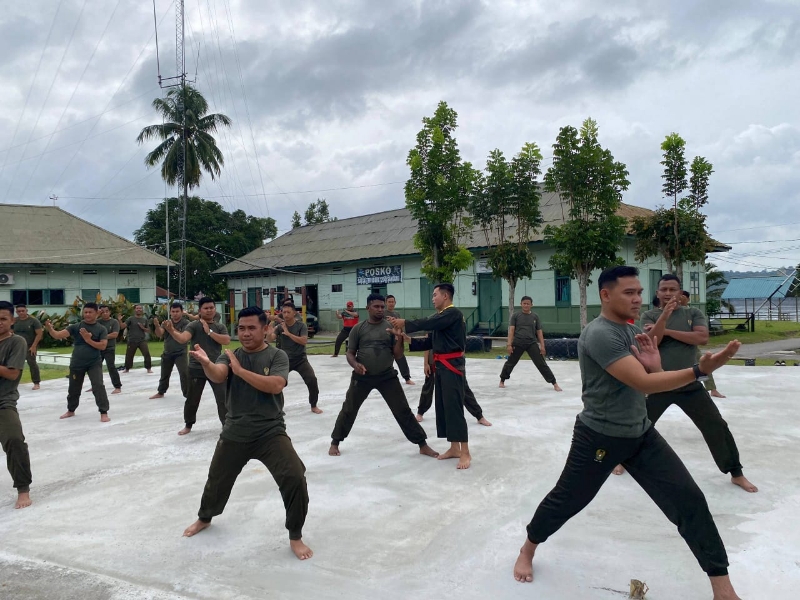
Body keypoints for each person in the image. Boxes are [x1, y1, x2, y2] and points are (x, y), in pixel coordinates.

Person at [513, 266, 744, 600]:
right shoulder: (600, 334)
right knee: (568, 499)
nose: (638, 299)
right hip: (600, 437)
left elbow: (650, 377)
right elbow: (643, 383)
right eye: (629, 293)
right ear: (605, 295)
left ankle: (723, 588)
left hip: (640, 434)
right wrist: (699, 370)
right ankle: (528, 548)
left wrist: (655, 364)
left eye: (639, 292)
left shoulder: (631, 331)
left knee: (689, 500)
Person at [181, 306, 313, 560]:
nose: (246, 333)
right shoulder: (230, 356)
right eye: (241, 328)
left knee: (295, 476)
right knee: (217, 480)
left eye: (252, 328)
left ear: (265, 329)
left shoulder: (278, 356)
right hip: (235, 431)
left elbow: (275, 385)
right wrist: (208, 364)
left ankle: (295, 535)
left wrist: (241, 372)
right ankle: (205, 518)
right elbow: (219, 375)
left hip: (270, 431)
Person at [636, 277, 755, 493]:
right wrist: (664, 318)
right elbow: (650, 342)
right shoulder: (648, 315)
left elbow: (701, 338)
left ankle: (736, 473)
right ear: (657, 292)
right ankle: (619, 459)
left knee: (716, 426)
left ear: (680, 293)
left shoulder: (693, 314)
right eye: (663, 289)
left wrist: (668, 332)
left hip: (689, 384)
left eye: (673, 289)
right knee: (635, 424)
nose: (668, 293)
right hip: (658, 384)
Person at [328, 294, 438, 458]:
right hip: (363, 377)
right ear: (368, 308)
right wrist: (355, 365)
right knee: (349, 409)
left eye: (382, 307)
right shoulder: (358, 329)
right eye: (376, 306)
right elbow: (350, 353)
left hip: (387, 376)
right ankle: (335, 442)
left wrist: (399, 338)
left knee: (402, 410)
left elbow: (398, 355)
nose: (380, 309)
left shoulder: (390, 327)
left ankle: (422, 444)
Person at [387, 283, 471, 470]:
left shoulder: (453, 314)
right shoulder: (440, 318)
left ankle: (465, 452)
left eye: (435, 295)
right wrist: (407, 338)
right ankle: (454, 447)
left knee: (455, 408)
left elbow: (429, 323)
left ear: (446, 296)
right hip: (440, 367)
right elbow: (430, 341)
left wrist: (406, 323)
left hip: (452, 367)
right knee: (444, 407)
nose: (432, 299)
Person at [169, 297, 231, 435]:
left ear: (215, 309)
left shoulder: (219, 326)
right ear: (200, 310)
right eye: (206, 308)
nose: (209, 310)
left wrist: (209, 331)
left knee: (223, 398)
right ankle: (188, 424)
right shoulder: (194, 325)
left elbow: (226, 340)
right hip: (196, 368)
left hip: (216, 367)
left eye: (211, 308)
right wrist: (172, 331)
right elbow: (183, 338)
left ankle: (227, 425)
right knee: (192, 399)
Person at [45, 302, 111, 422]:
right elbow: (58, 335)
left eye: (90, 312)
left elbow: (102, 346)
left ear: (97, 313)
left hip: (94, 363)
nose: (87, 314)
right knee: (74, 388)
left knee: (98, 386)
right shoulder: (76, 327)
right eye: (85, 312)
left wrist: (88, 339)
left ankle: (103, 412)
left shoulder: (101, 329)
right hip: (77, 363)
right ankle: (71, 410)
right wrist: (51, 329)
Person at [0, 301, 33, 509]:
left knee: (14, 440)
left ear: (12, 320)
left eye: (3, 319)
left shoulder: (16, 342)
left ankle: (23, 489)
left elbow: (12, 374)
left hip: (3, 401)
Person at [416, 338, 492, 427]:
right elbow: (427, 342)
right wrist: (426, 363)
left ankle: (479, 416)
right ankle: (420, 412)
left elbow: (461, 343)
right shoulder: (433, 325)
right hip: (435, 361)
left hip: (453, 362)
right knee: (428, 387)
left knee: (464, 388)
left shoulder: (456, 325)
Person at [266, 302, 322, 414]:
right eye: (284, 312)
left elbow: (304, 341)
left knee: (312, 380)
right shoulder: (279, 327)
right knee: (276, 383)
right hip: (284, 360)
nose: (285, 315)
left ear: (294, 313)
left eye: (288, 312)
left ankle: (314, 405)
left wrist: (288, 333)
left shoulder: (301, 326)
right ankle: (277, 408)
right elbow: (270, 339)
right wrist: (269, 333)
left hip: (300, 360)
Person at [499, 296, 562, 392]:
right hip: (518, 342)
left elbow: (539, 332)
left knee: (541, 363)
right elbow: (511, 330)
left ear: (531, 305)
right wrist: (509, 344)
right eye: (524, 303)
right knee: (511, 362)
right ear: (521, 304)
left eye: (528, 304)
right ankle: (502, 380)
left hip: (531, 343)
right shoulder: (515, 316)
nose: (526, 305)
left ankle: (554, 383)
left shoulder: (535, 317)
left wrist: (542, 346)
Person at [678, 291, 726, 398]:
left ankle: (712, 389)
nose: (680, 299)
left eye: (683, 297)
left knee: (703, 366)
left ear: (688, 299)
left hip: (691, 345)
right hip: (675, 345)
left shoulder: (693, 312)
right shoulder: (672, 312)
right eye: (679, 297)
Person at [150, 302, 190, 399]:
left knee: (184, 373)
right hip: (168, 352)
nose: (175, 313)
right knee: (164, 374)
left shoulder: (186, 323)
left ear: (181, 312)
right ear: (170, 312)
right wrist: (157, 326)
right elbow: (160, 334)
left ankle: (188, 395)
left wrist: (171, 329)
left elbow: (184, 336)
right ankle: (161, 392)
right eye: (173, 311)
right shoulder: (166, 322)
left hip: (181, 352)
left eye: (177, 311)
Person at [384, 295, 415, 385]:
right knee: (385, 359)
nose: (391, 304)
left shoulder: (397, 314)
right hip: (386, 339)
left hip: (396, 339)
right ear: (386, 303)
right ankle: (384, 379)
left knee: (401, 358)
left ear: (395, 302)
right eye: (389, 302)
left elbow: (400, 326)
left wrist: (400, 335)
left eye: (392, 302)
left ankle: (407, 378)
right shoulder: (383, 313)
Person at [12, 304, 43, 391]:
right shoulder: (15, 321)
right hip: (17, 347)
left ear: (26, 310)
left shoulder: (33, 321)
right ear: (16, 312)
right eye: (19, 311)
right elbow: (10, 332)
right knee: (15, 365)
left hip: (30, 346)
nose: (21, 313)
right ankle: (14, 383)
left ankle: (36, 383)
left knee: (32, 363)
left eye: (23, 311)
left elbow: (39, 334)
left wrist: (34, 346)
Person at [96, 305, 122, 394]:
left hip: (109, 348)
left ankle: (117, 386)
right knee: (96, 367)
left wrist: (103, 336)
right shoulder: (97, 322)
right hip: (98, 347)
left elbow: (115, 334)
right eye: (102, 311)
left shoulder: (114, 322)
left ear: (110, 312)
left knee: (111, 367)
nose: (105, 313)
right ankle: (96, 385)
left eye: (107, 311)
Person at [119, 304, 152, 373]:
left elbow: (148, 330)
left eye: (140, 308)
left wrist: (143, 328)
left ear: (142, 310)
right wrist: (119, 320)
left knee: (146, 354)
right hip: (132, 340)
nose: (139, 310)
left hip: (142, 340)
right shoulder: (130, 319)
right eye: (137, 308)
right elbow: (122, 326)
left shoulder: (144, 319)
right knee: (129, 355)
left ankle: (148, 368)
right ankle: (127, 368)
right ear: (135, 310)